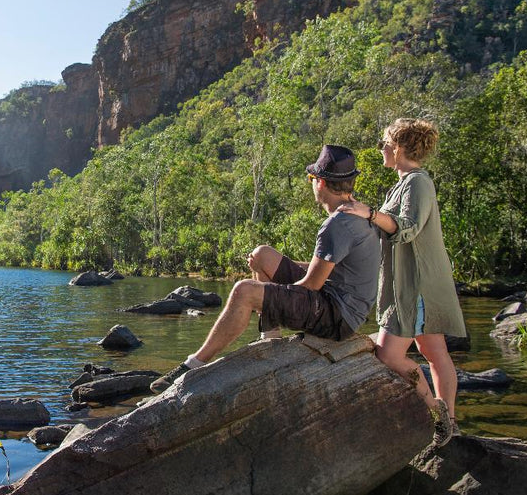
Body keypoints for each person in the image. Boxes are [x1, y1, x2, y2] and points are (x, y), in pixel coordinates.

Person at [150, 145, 379, 393]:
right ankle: (270, 337)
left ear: (321, 183)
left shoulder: (337, 224)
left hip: (338, 317)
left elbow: (312, 285)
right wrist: (274, 283)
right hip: (340, 301)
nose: (311, 183)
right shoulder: (360, 213)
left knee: (245, 291)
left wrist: (267, 294)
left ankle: (193, 364)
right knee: (262, 256)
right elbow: (330, 271)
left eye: (312, 178)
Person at [336, 118, 465, 447]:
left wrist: (368, 212)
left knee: (389, 356)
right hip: (411, 284)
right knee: (434, 352)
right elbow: (385, 226)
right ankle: (450, 422)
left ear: (399, 148)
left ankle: (436, 411)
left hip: (415, 286)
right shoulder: (404, 183)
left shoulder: (418, 183)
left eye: (384, 143)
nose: (380, 149)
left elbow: (406, 227)